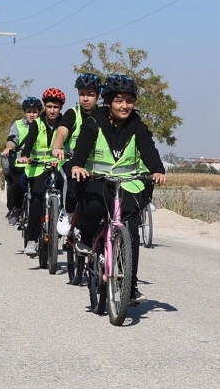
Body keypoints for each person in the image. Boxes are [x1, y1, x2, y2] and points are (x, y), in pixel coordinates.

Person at [68, 75, 167, 304]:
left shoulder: (137, 125)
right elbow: (82, 147)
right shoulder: (94, 122)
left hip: (127, 184)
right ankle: (86, 234)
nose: (125, 106)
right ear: (109, 102)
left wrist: (158, 170)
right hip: (97, 179)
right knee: (92, 208)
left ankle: (129, 288)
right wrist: (78, 165)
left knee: (131, 232)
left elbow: (149, 150)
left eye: (129, 101)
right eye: (119, 101)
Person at [17, 89, 67, 256]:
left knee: (69, 192)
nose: (52, 110)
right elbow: (29, 142)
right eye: (49, 106)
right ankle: (32, 239)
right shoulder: (37, 123)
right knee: (37, 198)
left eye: (56, 107)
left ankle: (69, 234)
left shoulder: (65, 123)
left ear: (61, 108)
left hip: (59, 166)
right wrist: (25, 156)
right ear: (44, 107)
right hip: (38, 168)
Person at [51, 73, 100, 223]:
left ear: (98, 96)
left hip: (93, 163)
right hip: (70, 160)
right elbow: (61, 132)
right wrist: (57, 147)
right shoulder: (73, 113)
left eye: (90, 95)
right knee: (71, 178)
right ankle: (67, 211)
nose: (85, 99)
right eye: (82, 94)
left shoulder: (103, 115)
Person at [1, 98, 42, 224]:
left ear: (39, 112)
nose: (31, 114)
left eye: (34, 111)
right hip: (21, 163)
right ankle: (17, 208)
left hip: (39, 164)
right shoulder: (18, 124)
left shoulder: (43, 124)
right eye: (29, 111)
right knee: (18, 184)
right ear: (24, 112)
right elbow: (12, 138)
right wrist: (9, 147)